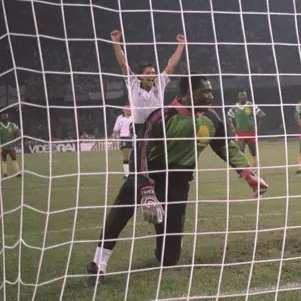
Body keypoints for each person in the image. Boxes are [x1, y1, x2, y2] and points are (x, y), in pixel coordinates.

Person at [87, 76, 268, 285]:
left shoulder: (211, 119)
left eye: (210, 91)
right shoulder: (161, 117)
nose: (211, 95)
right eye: (205, 91)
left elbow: (226, 147)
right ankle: (98, 264)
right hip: (148, 175)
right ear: (186, 94)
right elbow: (141, 154)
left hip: (178, 183)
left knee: (169, 259)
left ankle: (163, 246)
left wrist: (248, 175)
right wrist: (146, 190)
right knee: (121, 210)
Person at [110, 30, 186, 135]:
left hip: (157, 126)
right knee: (140, 151)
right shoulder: (133, 83)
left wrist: (181, 46)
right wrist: (116, 43)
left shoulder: (159, 83)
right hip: (139, 127)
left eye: (153, 73)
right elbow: (123, 64)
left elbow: (171, 65)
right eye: (148, 73)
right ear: (141, 76)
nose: (152, 75)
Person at [227, 91, 266, 168]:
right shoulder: (234, 108)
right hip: (240, 133)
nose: (243, 97)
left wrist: (257, 128)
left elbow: (262, 116)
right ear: (238, 97)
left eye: (244, 96)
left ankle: (254, 167)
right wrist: (232, 128)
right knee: (240, 152)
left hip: (251, 132)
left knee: (253, 151)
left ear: (246, 97)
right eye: (241, 96)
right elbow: (229, 117)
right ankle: (244, 169)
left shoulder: (252, 106)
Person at [112, 106, 134, 179]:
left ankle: (135, 172)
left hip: (133, 137)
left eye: (130, 109)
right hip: (124, 137)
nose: (129, 110)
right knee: (125, 156)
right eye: (127, 109)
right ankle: (126, 174)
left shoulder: (134, 116)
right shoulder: (119, 118)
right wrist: (115, 138)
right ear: (123, 110)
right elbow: (116, 129)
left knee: (135, 155)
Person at [0, 113, 20, 178]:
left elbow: (18, 132)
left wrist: (17, 140)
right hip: (3, 146)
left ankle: (18, 172)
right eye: (4, 117)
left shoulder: (12, 125)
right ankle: (5, 173)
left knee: (14, 158)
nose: (5, 118)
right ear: (2, 118)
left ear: (8, 118)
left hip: (11, 146)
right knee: (4, 159)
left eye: (5, 117)